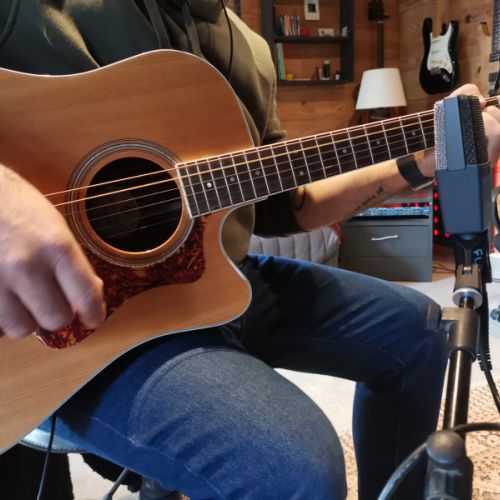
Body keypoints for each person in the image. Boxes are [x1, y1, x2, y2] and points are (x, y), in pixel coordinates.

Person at [0, 1, 500, 499]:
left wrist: (419, 163)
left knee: (419, 330)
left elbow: (287, 205)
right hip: (79, 331)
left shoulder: (251, 50)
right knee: (294, 468)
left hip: (215, 282)